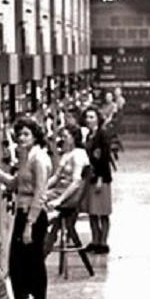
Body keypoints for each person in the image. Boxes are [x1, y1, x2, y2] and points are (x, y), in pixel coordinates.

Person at [0, 117, 52, 299]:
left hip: (33, 215)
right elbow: (15, 183)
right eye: (19, 134)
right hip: (25, 213)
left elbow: (40, 193)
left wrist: (29, 225)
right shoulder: (28, 157)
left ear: (35, 135)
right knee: (21, 263)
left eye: (26, 134)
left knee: (27, 263)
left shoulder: (38, 159)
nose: (21, 138)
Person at [45, 123, 91, 250]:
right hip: (60, 190)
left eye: (65, 136)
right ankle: (46, 238)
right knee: (36, 198)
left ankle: (46, 240)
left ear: (73, 137)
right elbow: (56, 177)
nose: (62, 139)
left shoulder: (79, 154)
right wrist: (42, 188)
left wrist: (59, 200)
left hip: (70, 195)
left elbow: (76, 182)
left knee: (39, 203)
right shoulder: (66, 154)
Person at [81, 106, 115, 254]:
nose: (89, 120)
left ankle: (103, 242)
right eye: (87, 117)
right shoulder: (89, 135)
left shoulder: (102, 135)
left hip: (101, 178)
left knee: (103, 212)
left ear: (98, 119)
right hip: (91, 177)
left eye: (92, 117)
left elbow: (104, 158)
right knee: (93, 212)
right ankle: (95, 240)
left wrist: (101, 178)